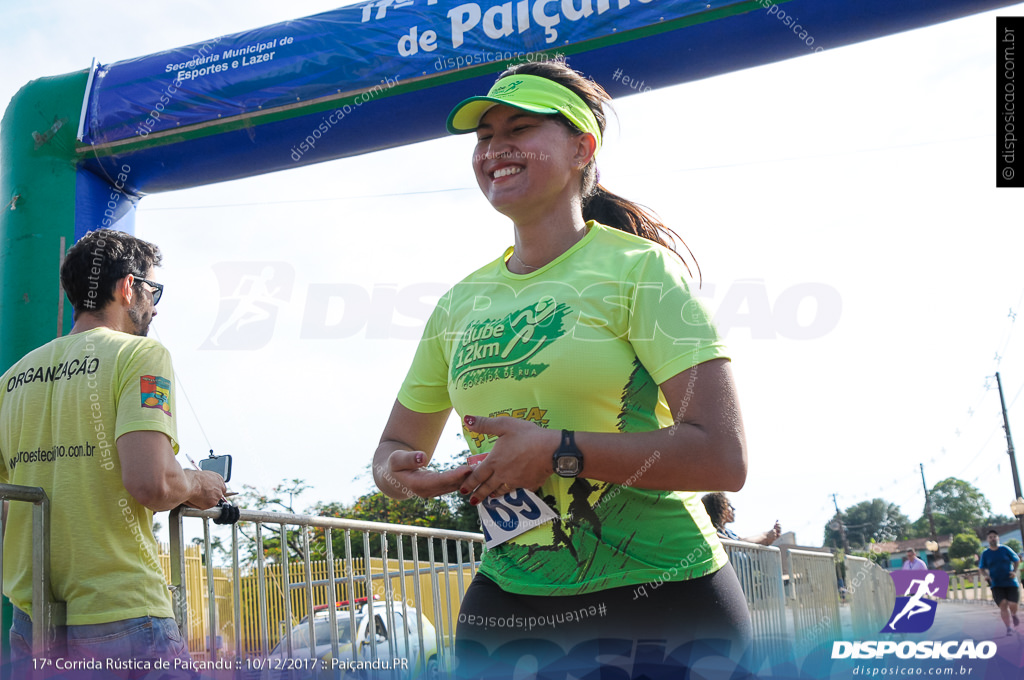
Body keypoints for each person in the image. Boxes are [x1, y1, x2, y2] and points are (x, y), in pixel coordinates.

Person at [373, 59, 752, 676]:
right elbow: (392, 448)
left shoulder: (640, 270)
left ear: (582, 147)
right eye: (484, 136)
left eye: (519, 129)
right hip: (508, 608)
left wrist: (558, 452)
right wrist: (403, 475)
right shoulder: (459, 302)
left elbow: (722, 458)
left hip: (659, 596)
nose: (496, 149)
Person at [0, 229, 228, 675]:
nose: (156, 306)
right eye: (153, 290)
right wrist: (199, 484)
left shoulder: (11, 380)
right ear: (127, 287)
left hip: (32, 621)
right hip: (121, 611)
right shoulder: (141, 356)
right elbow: (152, 482)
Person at [978, 529, 1021, 636]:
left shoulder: (1005, 549)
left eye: (994, 537)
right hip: (996, 583)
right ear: (988, 540)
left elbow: (1016, 560)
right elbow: (981, 568)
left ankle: (1014, 615)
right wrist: (986, 576)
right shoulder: (985, 553)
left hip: (1010, 582)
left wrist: (1014, 572)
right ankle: (1008, 628)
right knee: (1003, 605)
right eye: (990, 537)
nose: (993, 539)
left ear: (998, 538)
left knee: (1012, 604)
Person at [701, 492, 781, 545]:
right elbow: (736, 544)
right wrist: (765, 536)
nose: (733, 509)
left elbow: (743, 541)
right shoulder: (711, 533)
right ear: (719, 508)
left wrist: (768, 539)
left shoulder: (729, 533)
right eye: (729, 505)